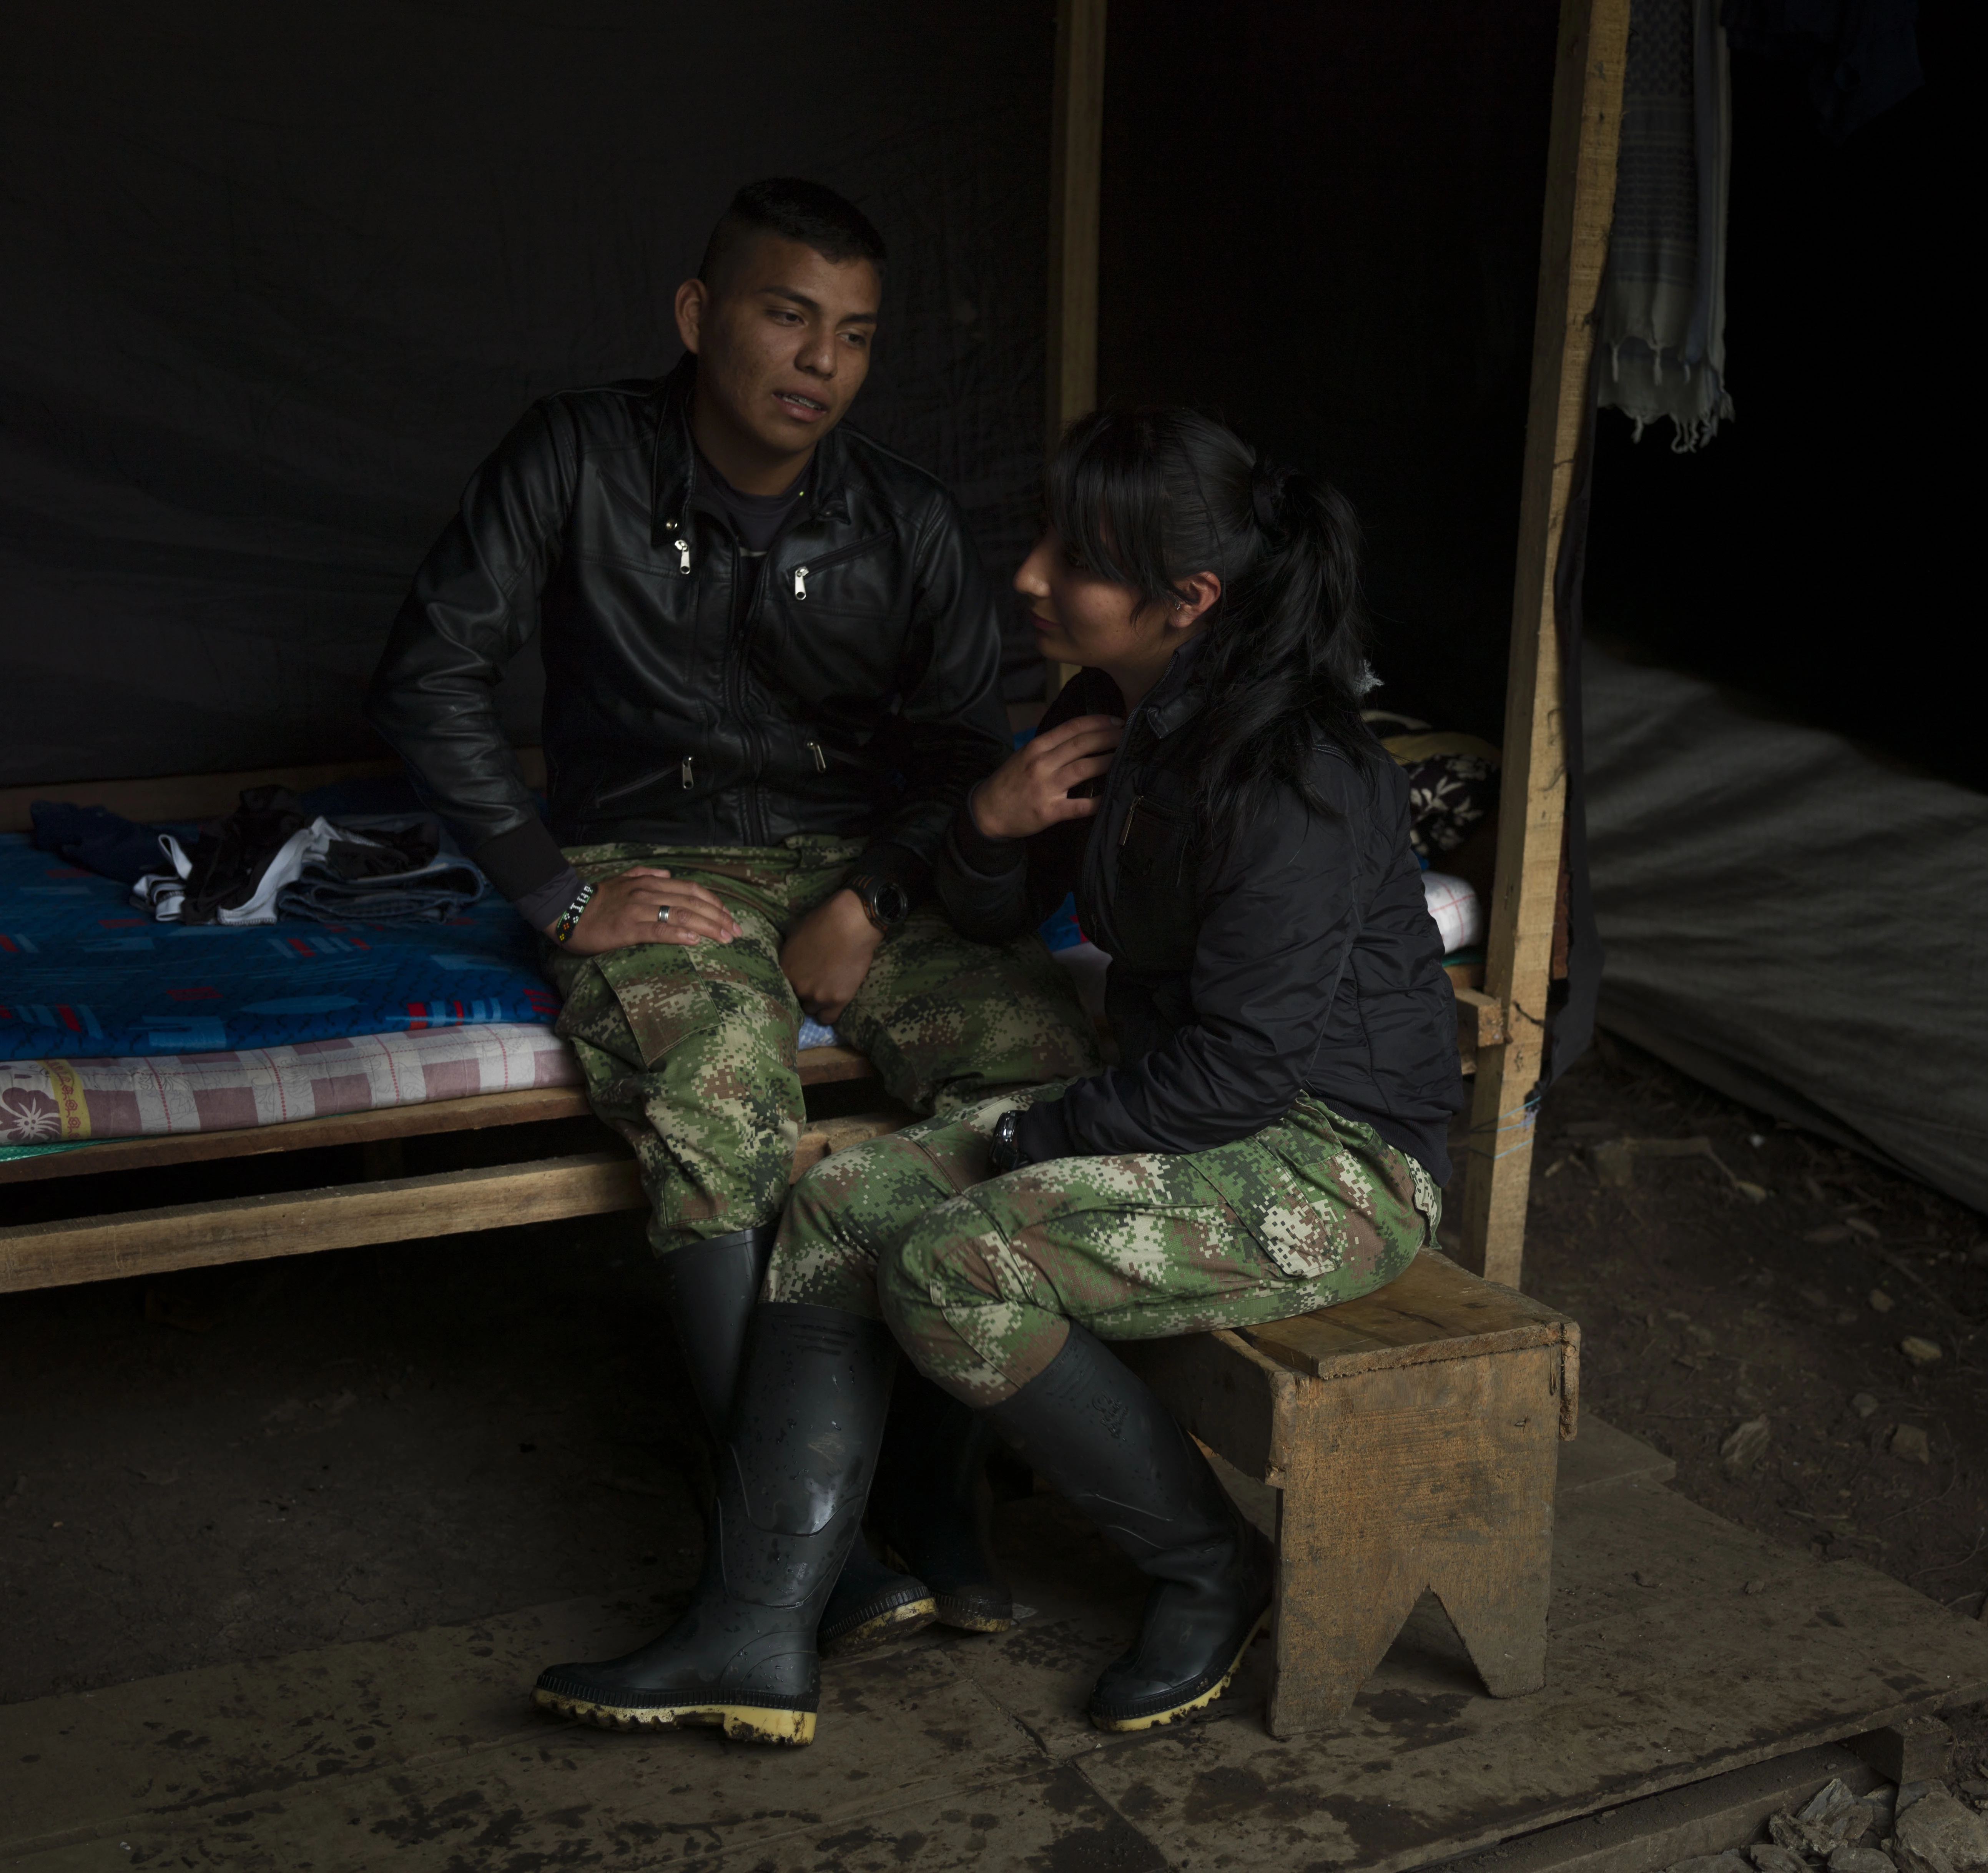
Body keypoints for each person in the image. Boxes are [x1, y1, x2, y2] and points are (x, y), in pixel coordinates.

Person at [532, 407, 1466, 1744]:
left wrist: (1029, 1134)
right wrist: (992, 821)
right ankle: (754, 1627)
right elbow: (992, 916)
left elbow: (1246, 1074)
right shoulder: (1110, 712)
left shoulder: (1293, 774)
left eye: (1075, 556)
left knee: (961, 1264)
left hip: (1338, 1158)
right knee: (845, 1198)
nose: (1029, 574)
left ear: (1188, 601)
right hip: (1199, 1107)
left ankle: (1214, 1569)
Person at [366, 178, 1099, 1658]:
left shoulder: (900, 514)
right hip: (653, 858)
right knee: (714, 1086)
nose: (819, 362)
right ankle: (793, 1544)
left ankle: (939, 1492)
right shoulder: (575, 455)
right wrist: (559, 892)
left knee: (1039, 1064)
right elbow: (427, 676)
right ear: (702, 317)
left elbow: (962, 761)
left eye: (855, 335)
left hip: (858, 866)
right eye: (786, 316)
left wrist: (872, 900)